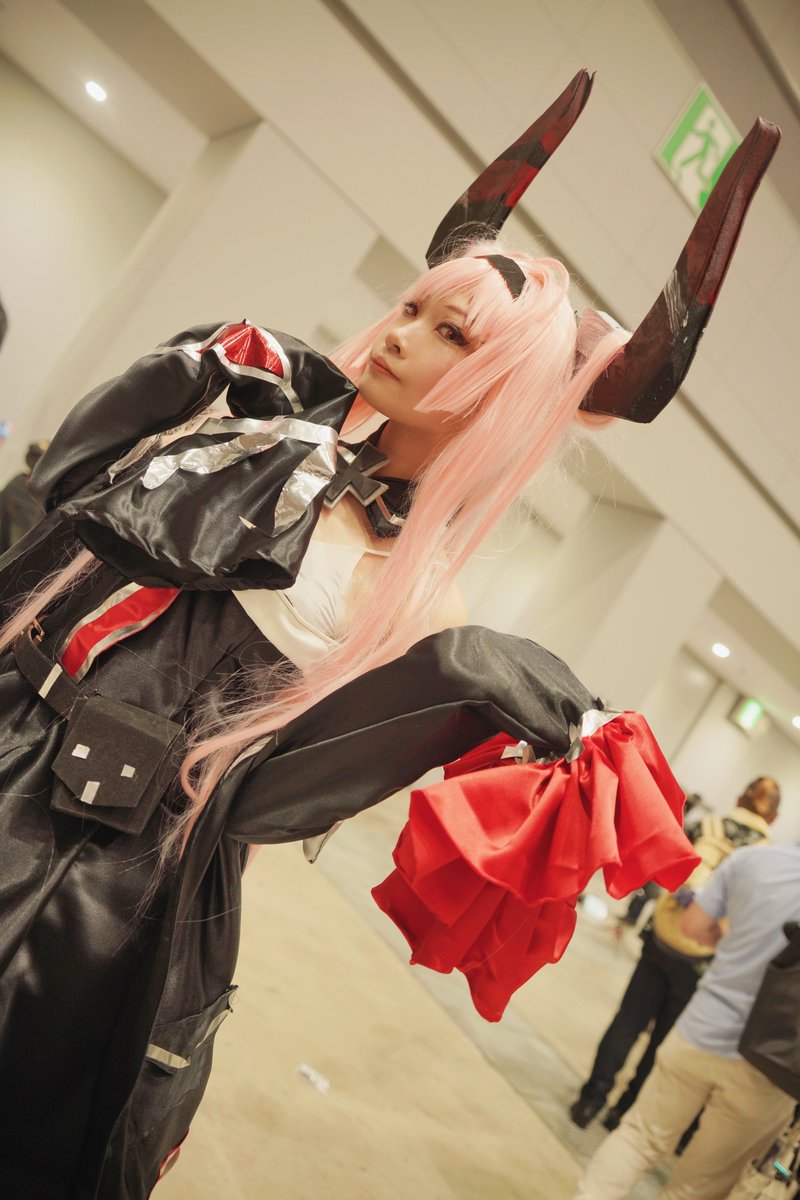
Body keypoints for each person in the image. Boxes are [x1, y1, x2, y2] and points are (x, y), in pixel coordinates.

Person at [0, 74, 778, 1199]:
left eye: (448, 332)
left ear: (499, 390)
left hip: (100, 872)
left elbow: (262, 803)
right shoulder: (256, 411)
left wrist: (465, 679)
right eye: (412, 309)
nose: (401, 336)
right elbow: (61, 519)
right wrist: (190, 375)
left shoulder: (416, 600)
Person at [573, 840, 800, 1200]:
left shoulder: (753, 859)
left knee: (639, 1137)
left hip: (701, 1029)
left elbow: (694, 926)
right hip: (770, 1065)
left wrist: (737, 948)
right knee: (699, 1182)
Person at [570, 777, 781, 1131]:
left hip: (664, 939)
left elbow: (665, 869)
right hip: (704, 958)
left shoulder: (705, 826)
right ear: (773, 817)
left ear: (738, 798)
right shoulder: (768, 858)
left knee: (628, 1021)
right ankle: (622, 1112)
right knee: (661, 1040)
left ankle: (590, 1100)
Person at [0, 438, 48, 552]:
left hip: (35, 549)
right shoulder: (16, 484)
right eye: (35, 458)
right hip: (10, 549)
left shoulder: (50, 489)